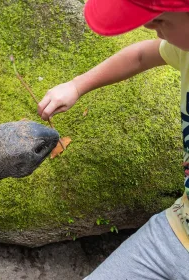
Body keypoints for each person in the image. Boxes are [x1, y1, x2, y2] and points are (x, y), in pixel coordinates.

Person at [38, 1, 189, 279]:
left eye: (159, 21)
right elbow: (142, 55)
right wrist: (76, 85)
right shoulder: (185, 52)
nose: (152, 31)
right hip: (177, 230)